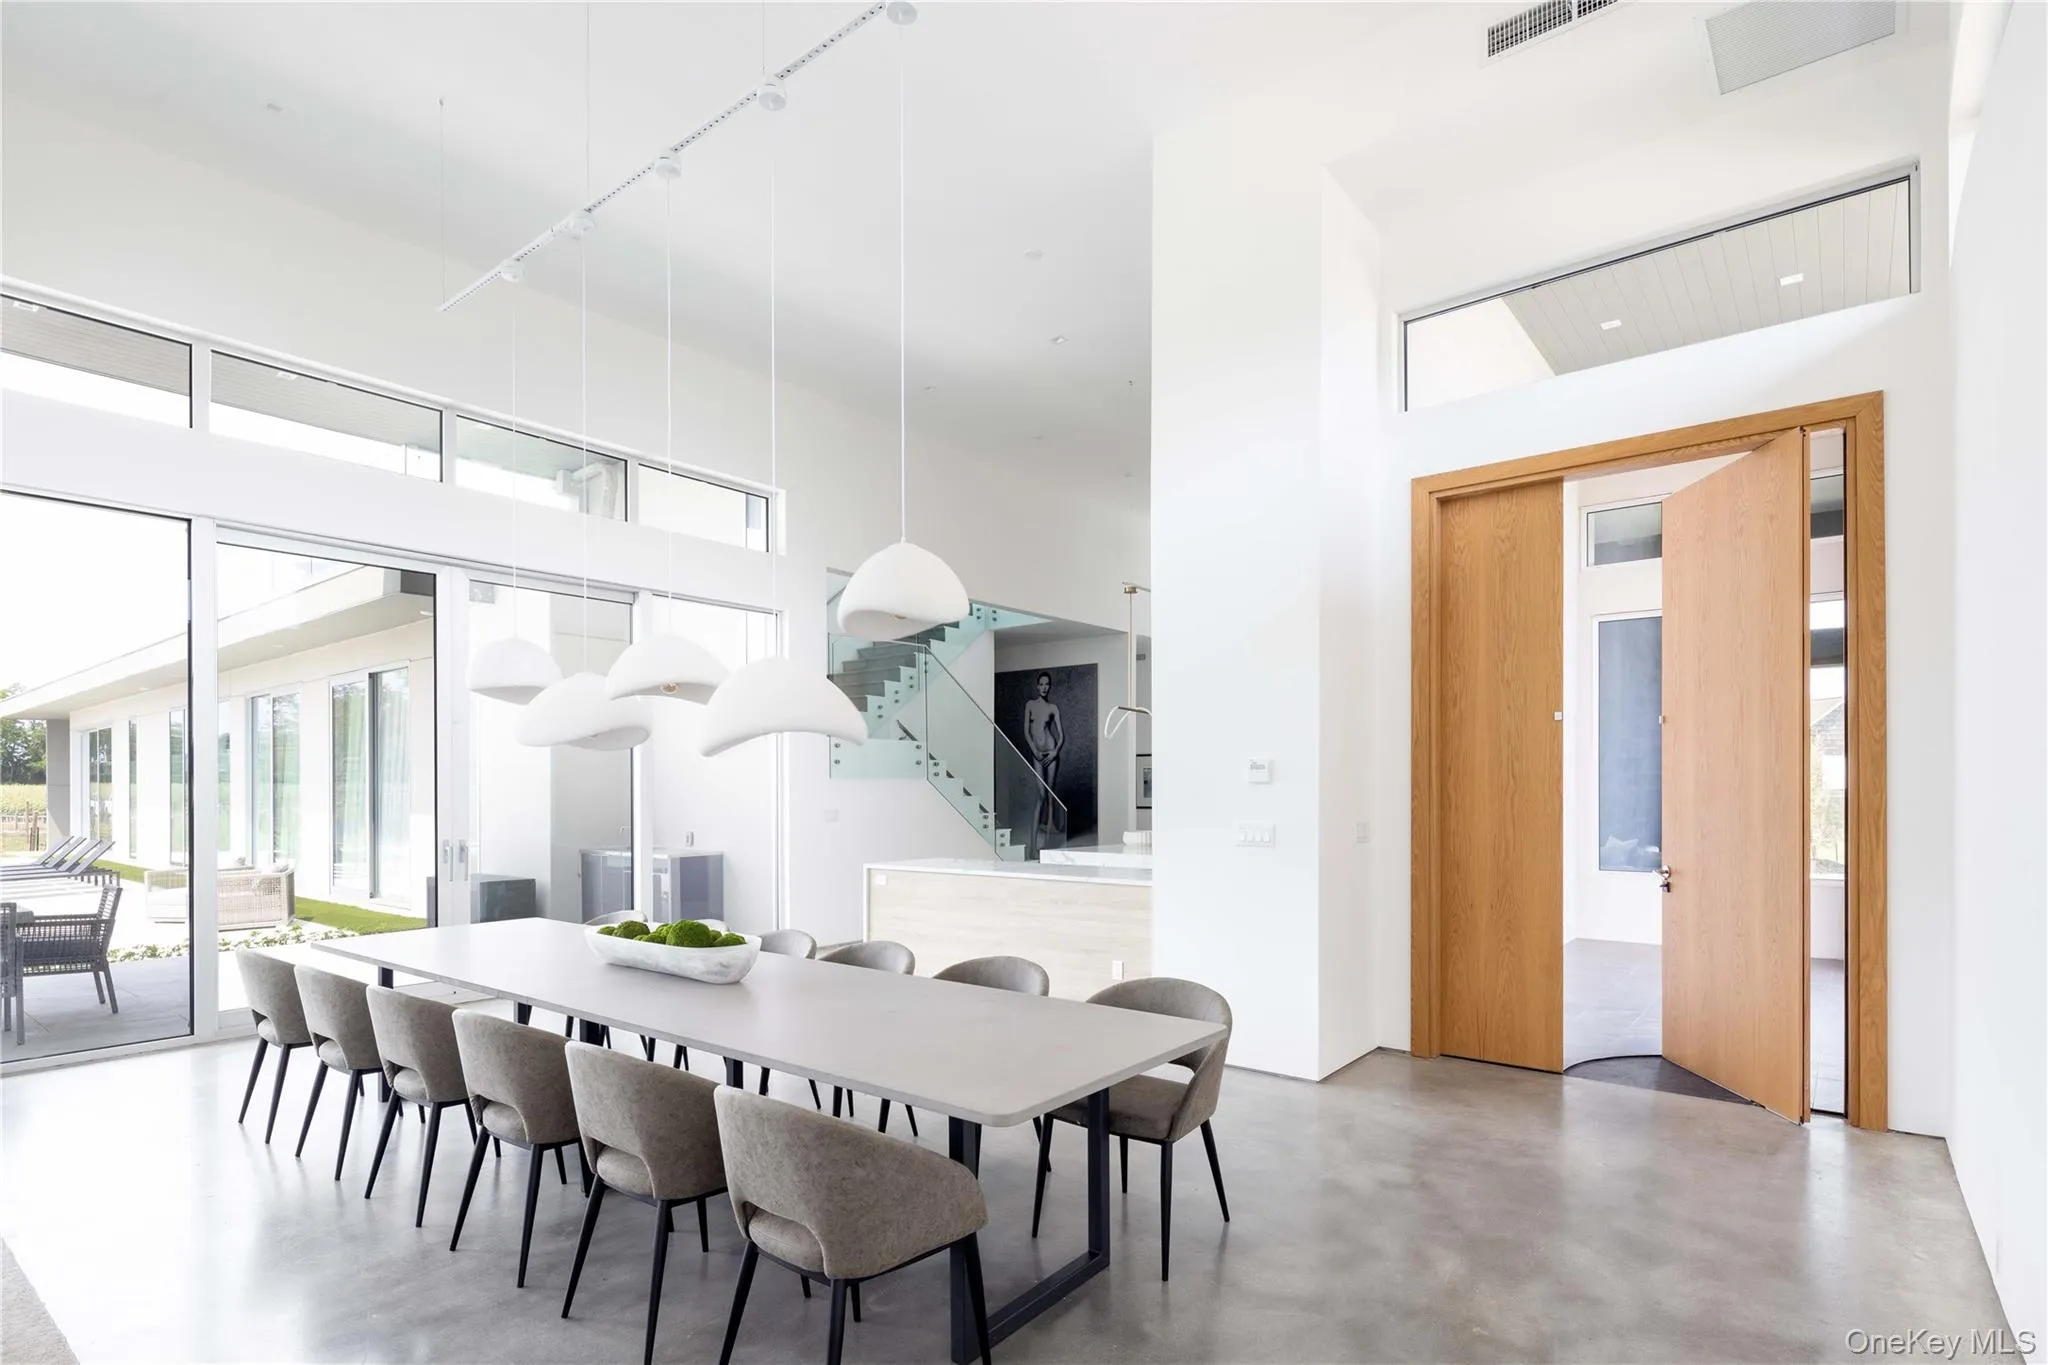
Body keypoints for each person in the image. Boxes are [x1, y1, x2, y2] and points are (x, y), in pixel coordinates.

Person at [1023, 671, 1065, 835]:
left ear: (1050, 686)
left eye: (1047, 684)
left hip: (1051, 752)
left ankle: (1050, 828)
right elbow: (1026, 732)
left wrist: (1055, 751)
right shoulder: (1030, 705)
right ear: (1037, 686)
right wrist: (1034, 750)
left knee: (1050, 792)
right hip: (1037, 753)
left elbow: (1061, 735)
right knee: (1041, 794)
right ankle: (1037, 835)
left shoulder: (1053, 708)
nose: (1044, 687)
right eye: (1041, 684)